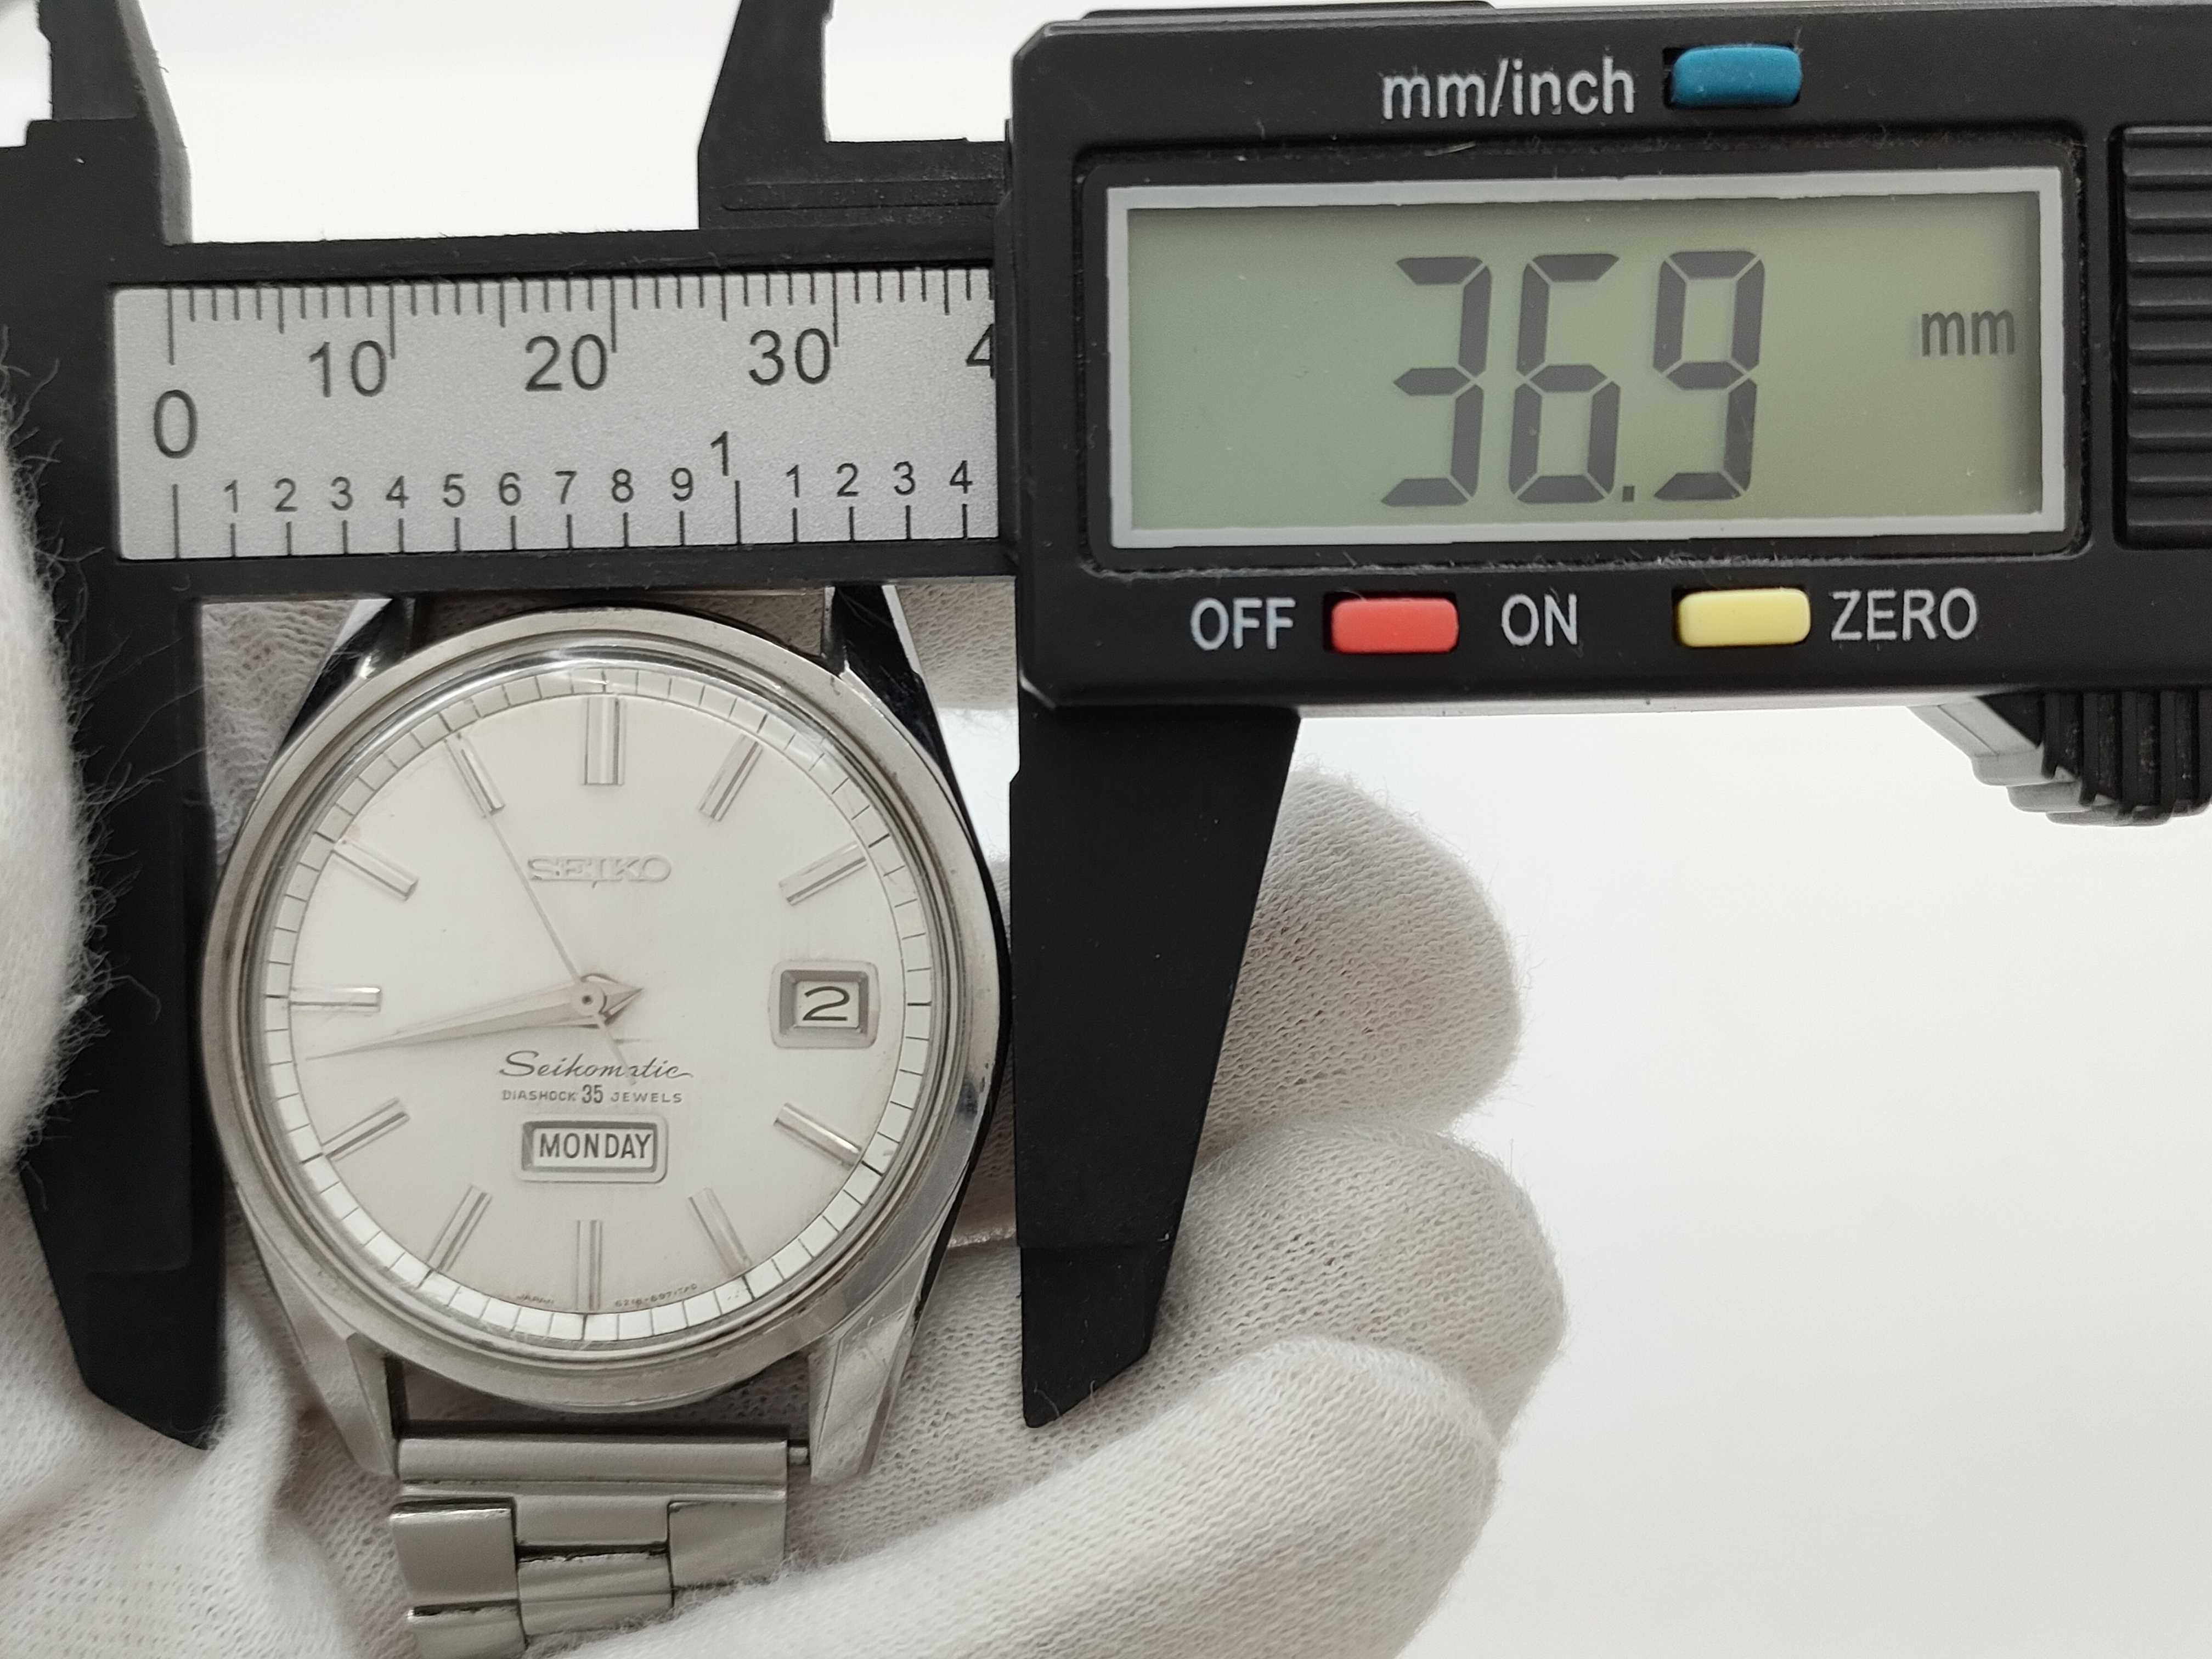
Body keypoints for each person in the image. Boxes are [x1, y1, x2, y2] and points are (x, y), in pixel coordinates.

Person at [0, 439, 1562, 1658]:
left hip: (724, 1289)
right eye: (581, 1001)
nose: (595, 1006)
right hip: (404, 1305)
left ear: (985, 999)